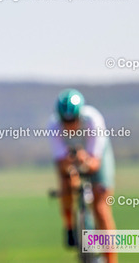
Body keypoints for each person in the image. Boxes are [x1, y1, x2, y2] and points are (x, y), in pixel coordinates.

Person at [48, 89, 117, 263]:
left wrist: (84, 159)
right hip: (69, 158)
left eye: (73, 120)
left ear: (80, 116)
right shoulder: (53, 125)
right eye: (66, 121)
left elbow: (95, 162)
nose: (70, 125)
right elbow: (60, 161)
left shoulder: (93, 120)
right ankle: (70, 227)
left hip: (95, 155)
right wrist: (70, 167)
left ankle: (110, 259)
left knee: (101, 206)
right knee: (66, 184)